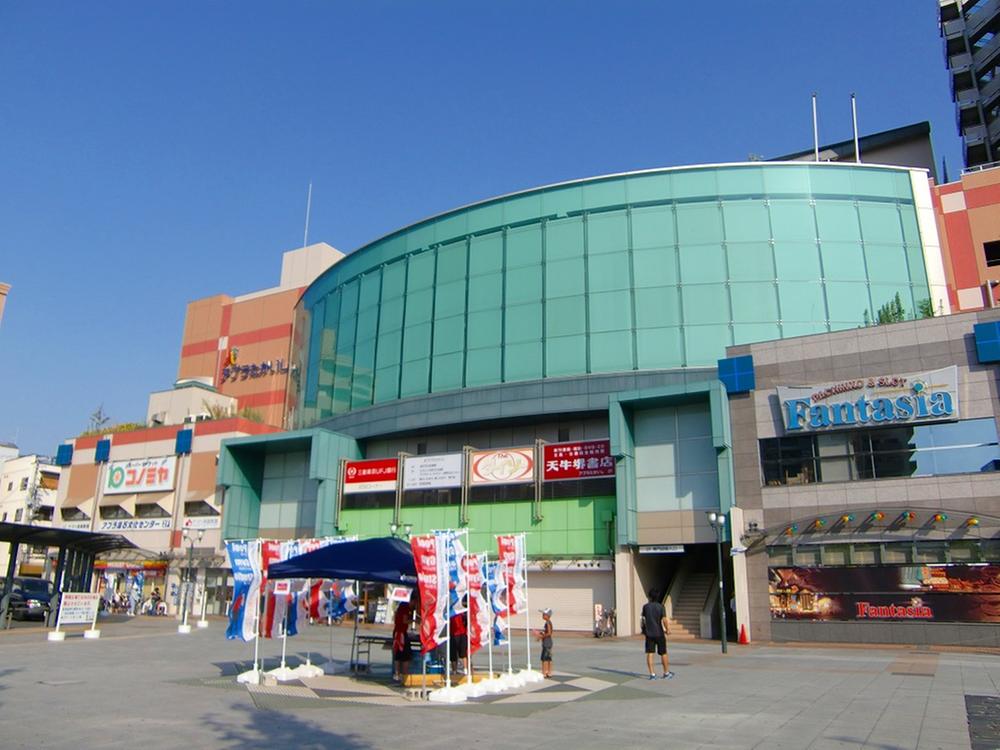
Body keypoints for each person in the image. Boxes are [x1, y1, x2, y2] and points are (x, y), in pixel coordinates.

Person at [641, 589, 674, 680]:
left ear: (649, 597)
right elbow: (664, 620)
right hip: (659, 633)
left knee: (650, 653)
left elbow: (643, 619)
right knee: (663, 653)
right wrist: (668, 629)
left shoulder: (645, 607)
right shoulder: (661, 607)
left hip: (649, 633)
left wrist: (643, 630)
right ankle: (666, 673)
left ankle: (652, 674)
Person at [392, 595, 414, 682]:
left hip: (398, 632)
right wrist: (413, 620)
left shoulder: (401, 606)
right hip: (400, 633)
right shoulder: (405, 608)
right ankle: (403, 674)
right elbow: (404, 620)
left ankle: (398, 673)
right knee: (404, 655)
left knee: (398, 654)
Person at [449, 611, 469, 676]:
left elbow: (466, 621)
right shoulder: (450, 611)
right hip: (453, 634)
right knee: (453, 654)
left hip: (462, 633)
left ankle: (465, 670)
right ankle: (454, 671)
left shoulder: (462, 612)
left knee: (463, 653)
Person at [536, 608, 554, 677]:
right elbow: (546, 632)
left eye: (544, 614)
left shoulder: (548, 623)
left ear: (548, 615)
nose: (543, 615)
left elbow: (549, 633)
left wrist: (541, 637)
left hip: (547, 642)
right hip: (548, 642)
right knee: (548, 658)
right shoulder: (548, 623)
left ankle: (544, 672)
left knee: (544, 658)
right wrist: (541, 633)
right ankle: (549, 672)